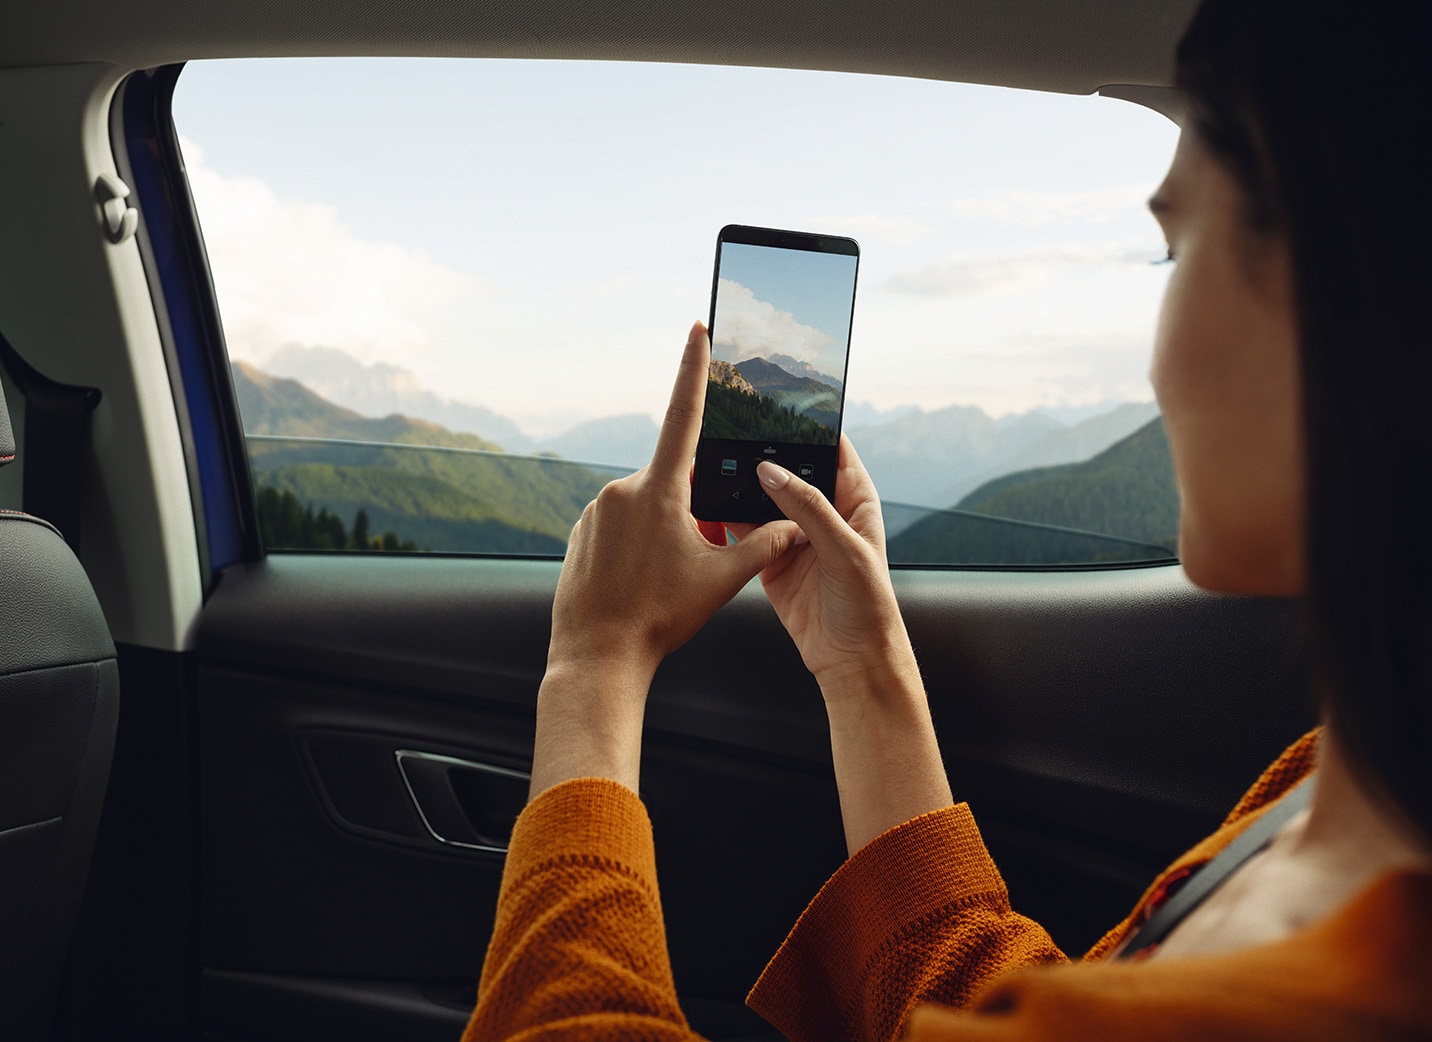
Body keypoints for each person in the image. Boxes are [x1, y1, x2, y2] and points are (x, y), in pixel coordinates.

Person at [462, 0, 1432, 1038]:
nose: (1154, 362)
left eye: (1171, 252)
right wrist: (861, 662)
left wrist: (592, 667)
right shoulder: (1342, 779)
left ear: (1344, 288)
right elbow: (991, 1001)